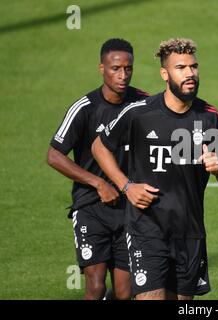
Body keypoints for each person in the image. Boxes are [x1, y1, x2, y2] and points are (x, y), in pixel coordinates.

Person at [91, 38, 218, 300]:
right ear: (164, 74)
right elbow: (99, 147)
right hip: (147, 229)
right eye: (180, 67)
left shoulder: (209, 116)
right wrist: (126, 186)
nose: (190, 73)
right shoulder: (139, 114)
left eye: (193, 66)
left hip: (190, 233)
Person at [47, 38, 149, 300]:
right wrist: (98, 183)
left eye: (128, 68)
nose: (123, 75)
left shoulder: (143, 104)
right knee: (95, 286)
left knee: (126, 293)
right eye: (116, 68)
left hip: (129, 208)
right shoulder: (85, 108)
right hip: (91, 206)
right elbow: (54, 155)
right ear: (102, 68)